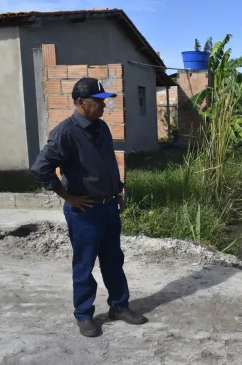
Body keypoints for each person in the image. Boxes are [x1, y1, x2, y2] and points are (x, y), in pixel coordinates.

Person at [30, 77, 147, 337]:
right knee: (84, 264)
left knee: (113, 260)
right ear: (81, 102)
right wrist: (67, 196)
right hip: (84, 212)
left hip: (108, 208)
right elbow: (40, 168)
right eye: (99, 101)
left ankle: (119, 306)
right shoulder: (66, 132)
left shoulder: (101, 127)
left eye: (105, 100)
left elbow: (108, 163)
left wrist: (118, 192)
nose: (104, 106)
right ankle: (84, 315)